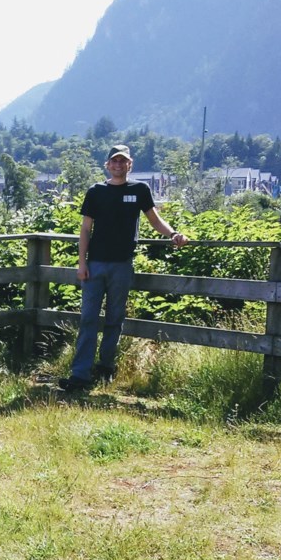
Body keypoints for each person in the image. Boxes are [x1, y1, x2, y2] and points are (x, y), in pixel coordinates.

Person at [59, 145, 189, 391]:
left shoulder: (139, 190)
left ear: (130, 164)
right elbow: (85, 229)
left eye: (123, 161)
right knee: (88, 319)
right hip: (95, 265)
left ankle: (105, 369)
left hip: (122, 264)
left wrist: (173, 234)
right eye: (114, 161)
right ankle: (80, 376)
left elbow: (154, 220)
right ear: (107, 165)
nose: (118, 165)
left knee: (114, 319)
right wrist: (82, 263)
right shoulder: (96, 191)